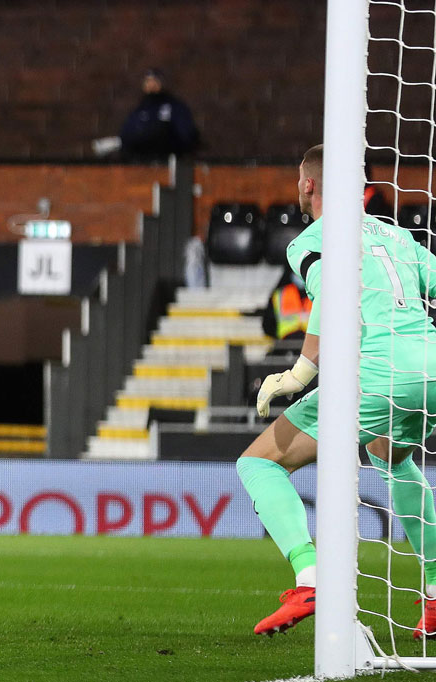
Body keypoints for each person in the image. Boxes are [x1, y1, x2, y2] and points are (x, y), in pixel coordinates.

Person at [241, 144, 436, 638]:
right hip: (430, 367)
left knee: (258, 463)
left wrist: (299, 374)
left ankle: (310, 581)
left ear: (308, 184)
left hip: (378, 375)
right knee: (390, 455)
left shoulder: (311, 239)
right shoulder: (398, 235)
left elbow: (331, 292)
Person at [92, 68, 199, 160]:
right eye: (148, 81)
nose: (151, 84)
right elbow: (128, 133)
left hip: (166, 160)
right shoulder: (140, 110)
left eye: (155, 81)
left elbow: (185, 135)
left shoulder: (174, 107)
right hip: (141, 161)